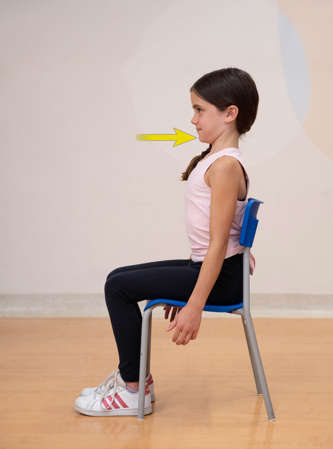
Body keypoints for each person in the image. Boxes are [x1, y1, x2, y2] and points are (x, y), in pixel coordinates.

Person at [74, 66, 259, 417]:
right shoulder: (217, 160)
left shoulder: (225, 167)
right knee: (118, 278)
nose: (193, 119)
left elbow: (219, 244)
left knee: (118, 287)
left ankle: (132, 390)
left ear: (230, 114)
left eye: (200, 110)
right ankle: (136, 381)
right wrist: (187, 288)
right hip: (214, 270)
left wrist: (194, 303)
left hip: (220, 277)